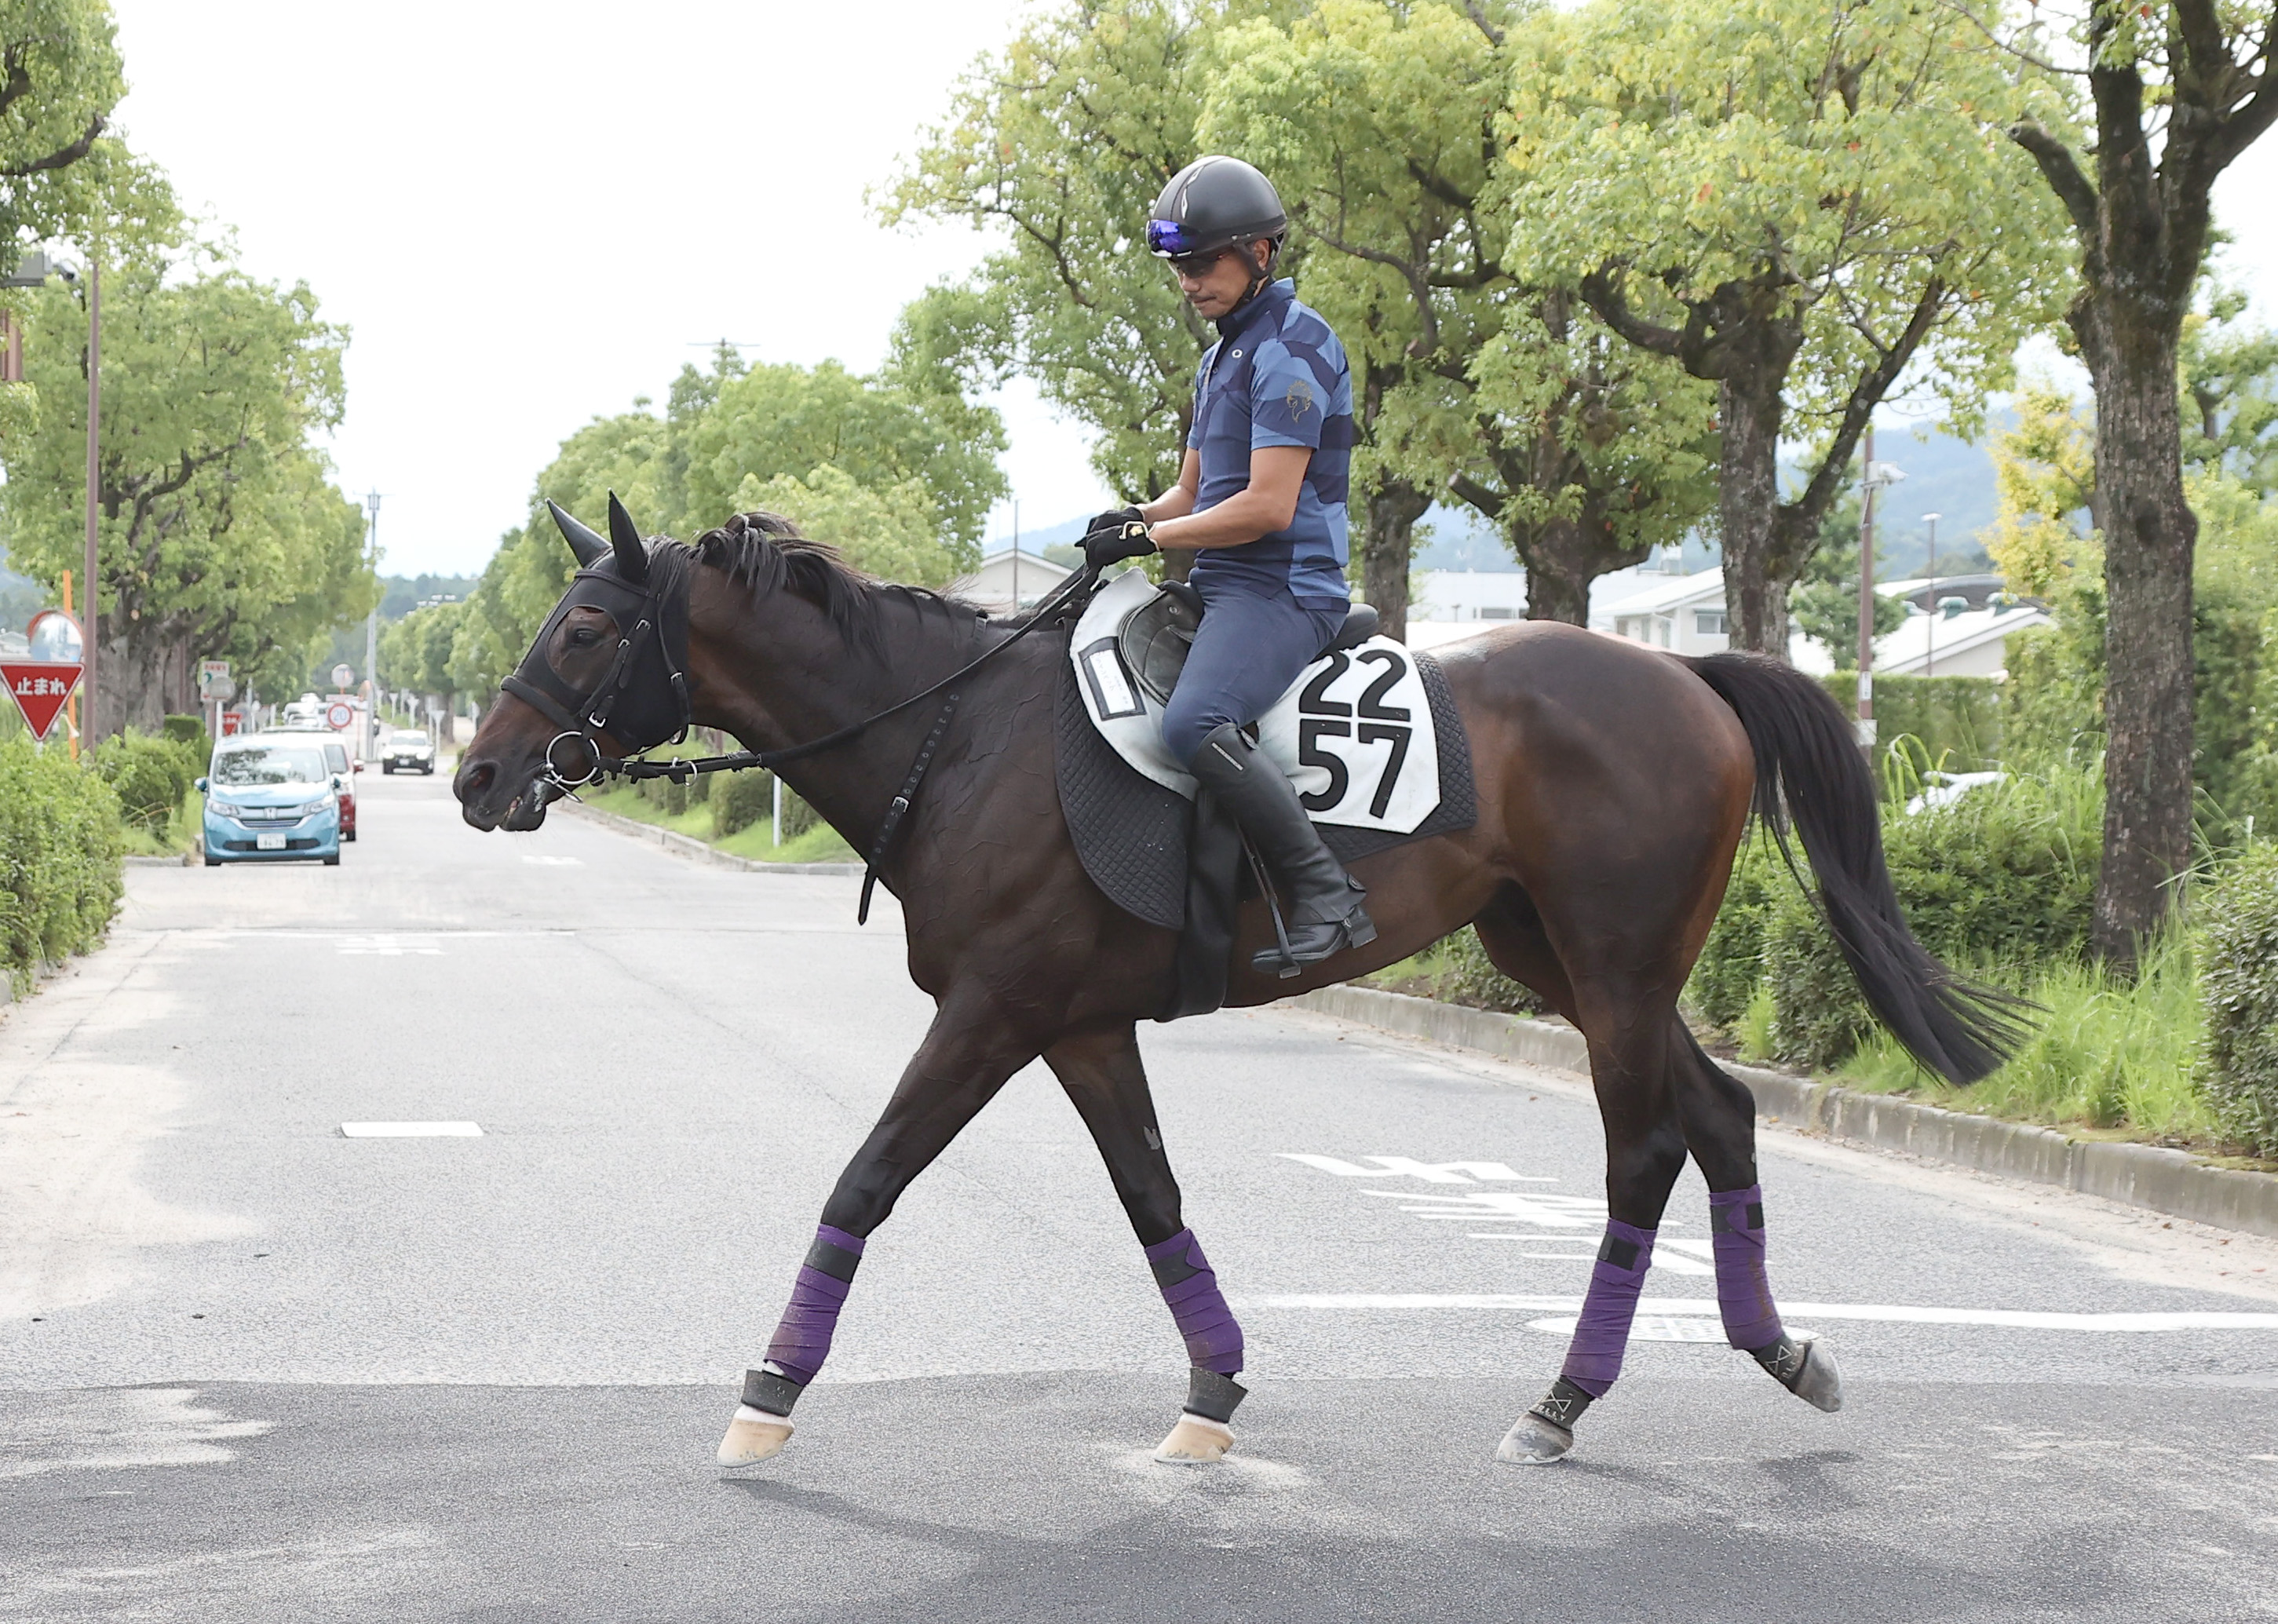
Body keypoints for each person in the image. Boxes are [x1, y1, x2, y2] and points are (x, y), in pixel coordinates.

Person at [1082, 154, 1374, 975]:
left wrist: (1153, 540)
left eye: (1203, 261)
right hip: (1221, 583)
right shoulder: (1221, 357)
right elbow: (1191, 492)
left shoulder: (1296, 344)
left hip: (1284, 589)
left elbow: (1267, 507)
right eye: (1179, 265)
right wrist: (1128, 520)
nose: (1188, 280)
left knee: (1191, 723)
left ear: (1260, 253)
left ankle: (1325, 891)